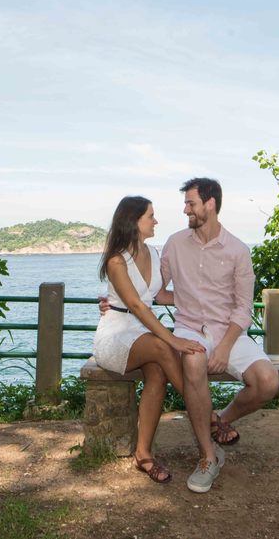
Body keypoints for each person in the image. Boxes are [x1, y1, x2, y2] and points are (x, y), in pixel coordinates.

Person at [101, 178, 279, 494]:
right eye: (186, 203)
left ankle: (218, 419)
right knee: (193, 360)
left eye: (191, 203)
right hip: (187, 328)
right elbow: (150, 293)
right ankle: (208, 455)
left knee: (268, 382)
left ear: (210, 204)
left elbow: (243, 309)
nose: (185, 210)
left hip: (228, 332)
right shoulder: (173, 244)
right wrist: (113, 302)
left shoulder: (238, 250)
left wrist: (224, 347)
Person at [92, 195, 213, 485]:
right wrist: (174, 340)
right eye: (150, 216)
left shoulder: (154, 253)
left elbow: (158, 296)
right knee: (162, 347)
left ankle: (143, 454)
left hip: (143, 332)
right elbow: (136, 305)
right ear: (134, 221)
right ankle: (209, 417)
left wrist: (203, 300)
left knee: (158, 372)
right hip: (116, 333)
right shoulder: (116, 260)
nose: (155, 221)